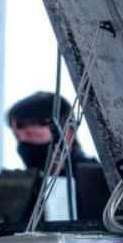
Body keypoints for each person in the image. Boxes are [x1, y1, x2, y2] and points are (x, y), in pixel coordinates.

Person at [7, 92, 110, 221]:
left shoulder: (101, 179)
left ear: (67, 133)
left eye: (30, 134)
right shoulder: (22, 185)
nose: (22, 143)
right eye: (17, 137)